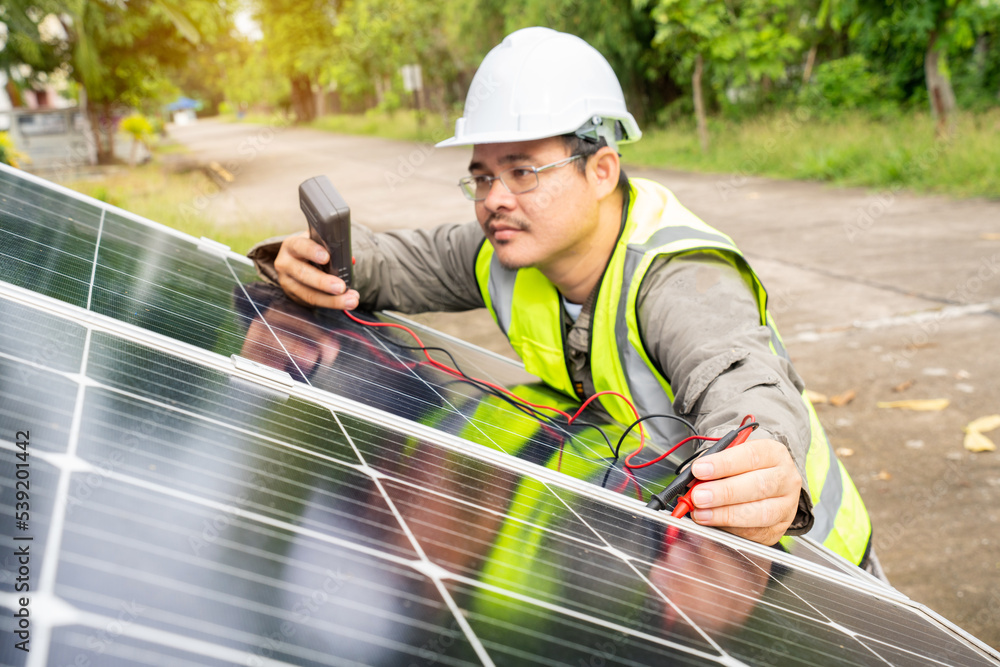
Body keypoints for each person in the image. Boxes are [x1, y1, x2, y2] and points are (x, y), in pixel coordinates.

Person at [249, 27, 878, 572]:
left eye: (523, 171)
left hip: (812, 565)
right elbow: (396, 262)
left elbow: (744, 377)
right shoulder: (505, 249)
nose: (494, 196)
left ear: (601, 170)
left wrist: (766, 459)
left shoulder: (677, 276)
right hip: (686, 547)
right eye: (482, 175)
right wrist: (310, 261)